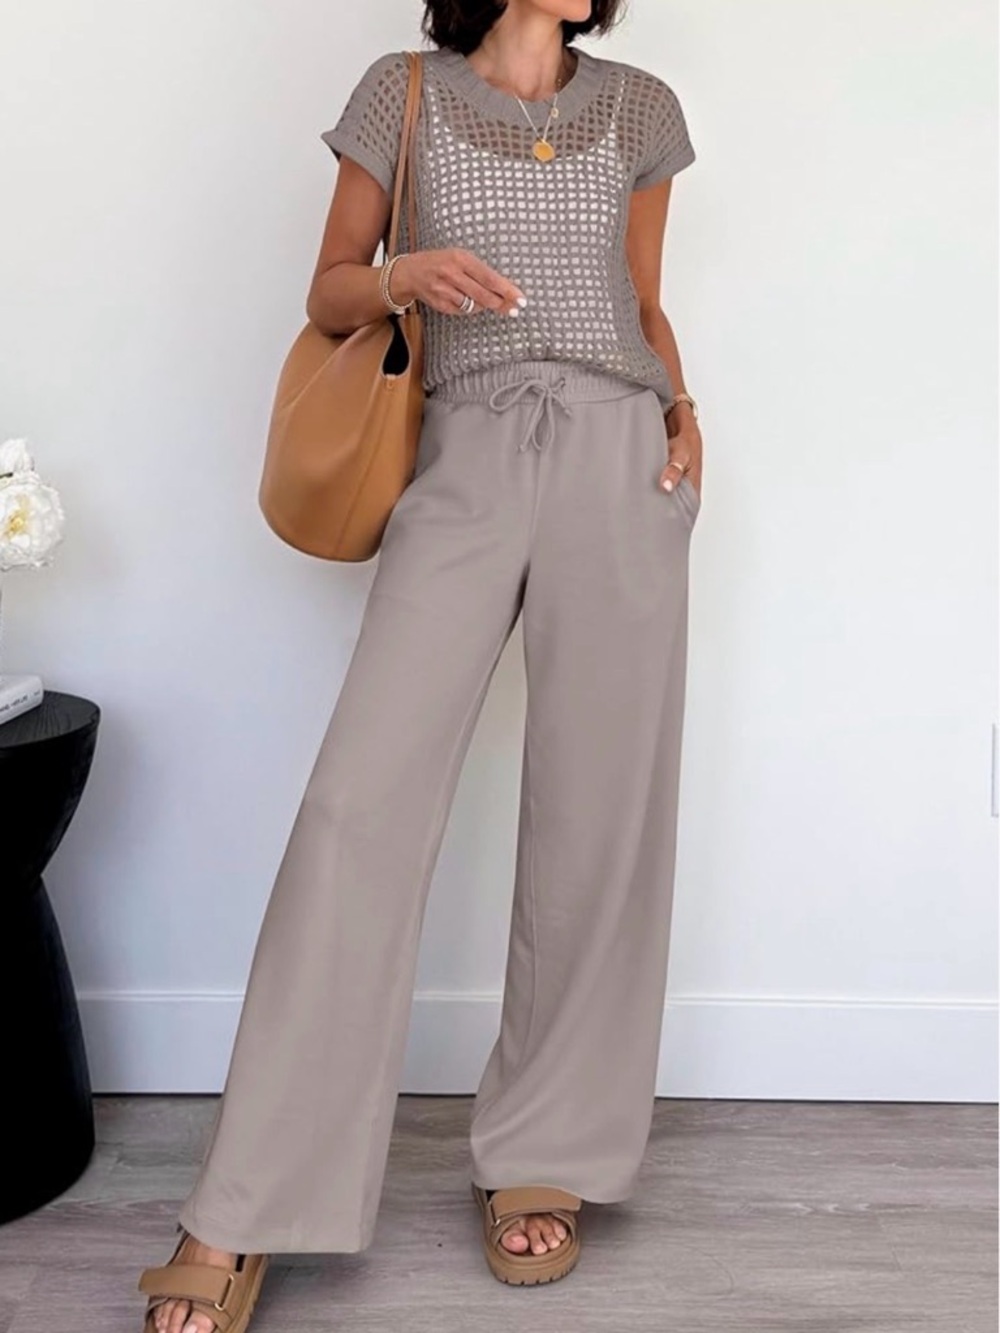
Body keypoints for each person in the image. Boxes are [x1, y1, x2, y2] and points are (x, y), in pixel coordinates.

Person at [137, 0, 702, 1328]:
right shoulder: (402, 91)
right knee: (359, 810)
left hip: (625, 457)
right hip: (466, 447)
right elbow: (330, 282)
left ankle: (547, 1147)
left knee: (600, 813)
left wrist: (684, 413)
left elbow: (643, 302)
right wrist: (408, 275)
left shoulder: (641, 107)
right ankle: (246, 1203)